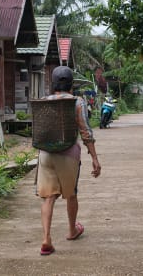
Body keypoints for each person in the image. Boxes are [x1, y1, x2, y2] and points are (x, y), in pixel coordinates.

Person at [36, 66, 101, 256]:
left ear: (53, 83)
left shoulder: (43, 101)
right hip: (68, 154)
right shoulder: (78, 102)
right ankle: (72, 231)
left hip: (45, 154)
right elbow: (85, 132)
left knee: (48, 197)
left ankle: (46, 239)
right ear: (71, 84)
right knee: (71, 194)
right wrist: (95, 158)